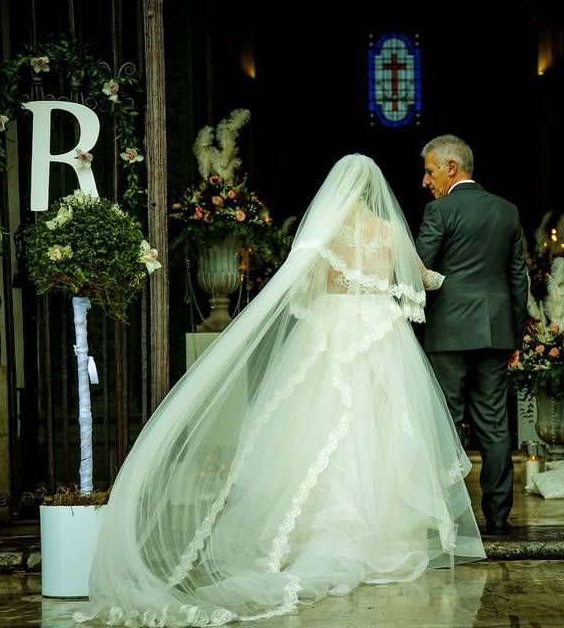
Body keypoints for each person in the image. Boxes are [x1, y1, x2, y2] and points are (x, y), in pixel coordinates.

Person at [75, 154, 485, 626]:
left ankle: (313, 536)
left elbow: (304, 285)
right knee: (382, 429)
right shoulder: (391, 231)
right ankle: (384, 538)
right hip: (381, 332)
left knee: (316, 426)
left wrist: (329, 284)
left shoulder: (327, 228)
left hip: (331, 328)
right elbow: (421, 280)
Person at [415, 135, 528, 537]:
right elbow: (519, 277)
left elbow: (418, 267)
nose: (426, 181)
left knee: (444, 422)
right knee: (495, 425)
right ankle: (498, 519)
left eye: (430, 171)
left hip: (448, 332)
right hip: (496, 331)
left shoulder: (439, 211)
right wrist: (514, 336)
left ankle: (449, 518)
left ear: (450, 167)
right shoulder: (507, 211)